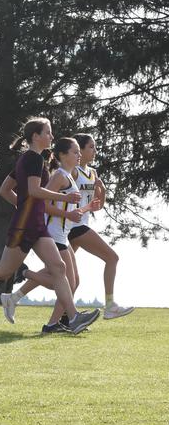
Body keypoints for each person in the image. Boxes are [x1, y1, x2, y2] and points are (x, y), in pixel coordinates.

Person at [0, 118, 101, 335]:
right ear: (36, 136)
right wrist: (62, 197)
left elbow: (5, 190)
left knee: (59, 268)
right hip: (26, 225)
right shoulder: (33, 159)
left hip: (37, 224)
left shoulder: (31, 159)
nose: (51, 136)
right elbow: (34, 191)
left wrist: (24, 206)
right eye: (47, 132)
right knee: (3, 270)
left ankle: (74, 317)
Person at [68, 133, 133, 319]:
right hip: (74, 226)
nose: (95, 150)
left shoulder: (93, 173)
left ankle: (15, 296)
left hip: (81, 224)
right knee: (112, 258)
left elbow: (98, 206)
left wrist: (102, 190)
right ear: (79, 149)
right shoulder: (72, 171)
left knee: (58, 272)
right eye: (91, 147)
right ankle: (110, 305)